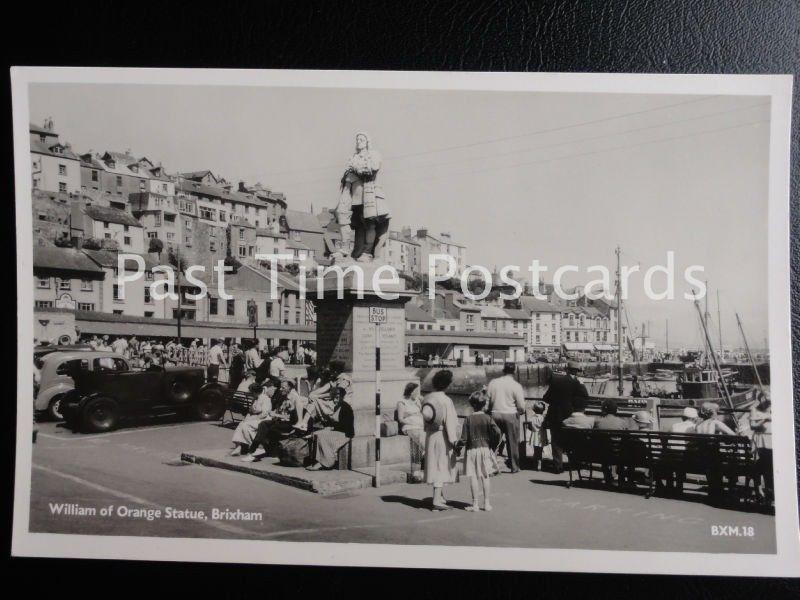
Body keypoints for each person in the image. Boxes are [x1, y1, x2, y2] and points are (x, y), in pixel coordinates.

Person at [457, 391, 502, 512]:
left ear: (472, 405)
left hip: (472, 450)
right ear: (484, 404)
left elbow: (463, 439)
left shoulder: (468, 419)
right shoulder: (488, 418)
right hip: (485, 449)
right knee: (485, 476)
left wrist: (457, 449)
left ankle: (475, 504)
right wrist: (493, 445)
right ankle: (487, 504)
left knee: (473, 477)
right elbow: (498, 432)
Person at [422, 369, 459, 510]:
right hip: (442, 436)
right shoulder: (446, 400)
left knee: (434, 463)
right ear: (447, 384)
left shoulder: (428, 397)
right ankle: (436, 500)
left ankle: (440, 496)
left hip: (430, 435)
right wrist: (454, 441)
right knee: (441, 465)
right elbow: (450, 422)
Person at [542, 362, 588, 473]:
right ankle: (574, 464)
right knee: (571, 439)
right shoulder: (576, 383)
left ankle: (558, 466)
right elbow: (585, 397)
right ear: (577, 371)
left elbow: (546, 398)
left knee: (556, 440)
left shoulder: (556, 381)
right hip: (569, 415)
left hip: (554, 414)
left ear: (567, 369)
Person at [306, 373, 355, 470]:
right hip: (337, 431)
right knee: (316, 433)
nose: (335, 400)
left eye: (337, 398)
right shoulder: (337, 406)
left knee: (322, 436)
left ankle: (326, 462)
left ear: (342, 397)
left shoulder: (346, 408)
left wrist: (332, 428)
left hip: (344, 434)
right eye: (334, 398)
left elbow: (346, 426)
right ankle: (316, 460)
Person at [486, 363, 525, 473]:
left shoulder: (493, 383)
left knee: (493, 441)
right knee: (512, 442)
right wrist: (520, 412)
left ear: (503, 370)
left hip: (494, 413)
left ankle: (490, 466)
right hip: (510, 414)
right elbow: (521, 406)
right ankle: (514, 466)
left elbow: (487, 400)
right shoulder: (516, 385)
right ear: (514, 372)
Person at [229, 381, 276, 456]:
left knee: (246, 426)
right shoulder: (255, 399)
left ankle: (255, 446)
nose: (251, 394)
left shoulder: (265, 399)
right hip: (255, 418)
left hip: (263, 419)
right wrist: (247, 419)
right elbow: (251, 411)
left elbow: (264, 413)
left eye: (252, 392)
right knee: (242, 424)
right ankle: (238, 446)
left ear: (255, 392)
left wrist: (253, 419)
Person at [749, 395, 773, 502]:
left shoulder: (774, 407)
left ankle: (768, 491)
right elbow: (753, 426)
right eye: (767, 401)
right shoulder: (754, 409)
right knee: (767, 465)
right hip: (762, 441)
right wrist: (765, 419)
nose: (768, 404)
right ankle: (769, 491)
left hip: (772, 439)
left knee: (768, 465)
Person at [396, 381, 425, 449]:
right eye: (416, 391)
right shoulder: (401, 402)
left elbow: (423, 413)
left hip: (421, 426)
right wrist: (414, 423)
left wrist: (423, 402)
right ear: (411, 392)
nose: (418, 393)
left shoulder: (417, 401)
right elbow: (400, 419)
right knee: (422, 438)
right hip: (410, 427)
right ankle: (427, 454)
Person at [524, 401, 548, 471]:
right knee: (540, 451)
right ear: (543, 410)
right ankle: (539, 465)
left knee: (535, 451)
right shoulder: (543, 418)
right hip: (541, 435)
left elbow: (529, 427)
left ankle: (534, 464)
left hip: (534, 434)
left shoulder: (532, 418)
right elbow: (544, 426)